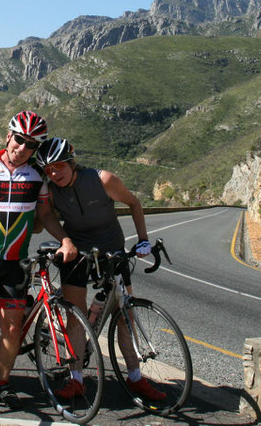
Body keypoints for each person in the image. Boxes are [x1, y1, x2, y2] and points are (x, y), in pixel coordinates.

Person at [0, 111, 76, 411]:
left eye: (31, 145)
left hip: (15, 262)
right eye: (19, 139)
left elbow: (45, 214)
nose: (22, 148)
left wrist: (65, 239)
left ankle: (4, 383)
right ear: (8, 136)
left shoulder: (36, 174)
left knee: (11, 328)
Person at [35, 137, 167, 401]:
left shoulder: (103, 179)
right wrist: (66, 240)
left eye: (59, 166)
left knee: (124, 315)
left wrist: (142, 239)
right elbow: (47, 216)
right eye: (48, 169)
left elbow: (134, 203)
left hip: (113, 251)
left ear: (72, 162)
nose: (54, 173)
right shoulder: (51, 189)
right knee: (76, 315)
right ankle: (76, 379)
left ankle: (135, 377)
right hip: (77, 254)